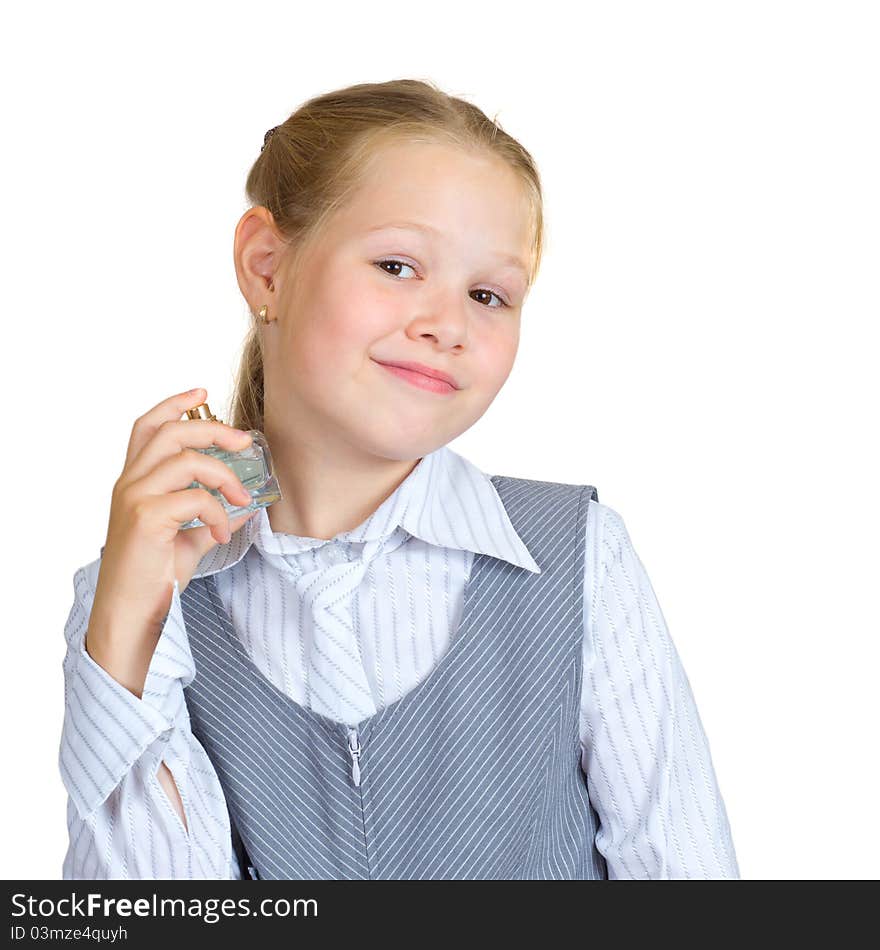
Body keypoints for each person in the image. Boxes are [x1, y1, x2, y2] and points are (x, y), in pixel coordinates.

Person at [58, 78, 739, 880]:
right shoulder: (136, 595)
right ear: (267, 267)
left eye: (488, 294)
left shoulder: (580, 558)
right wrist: (132, 628)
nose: (447, 324)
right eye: (396, 265)